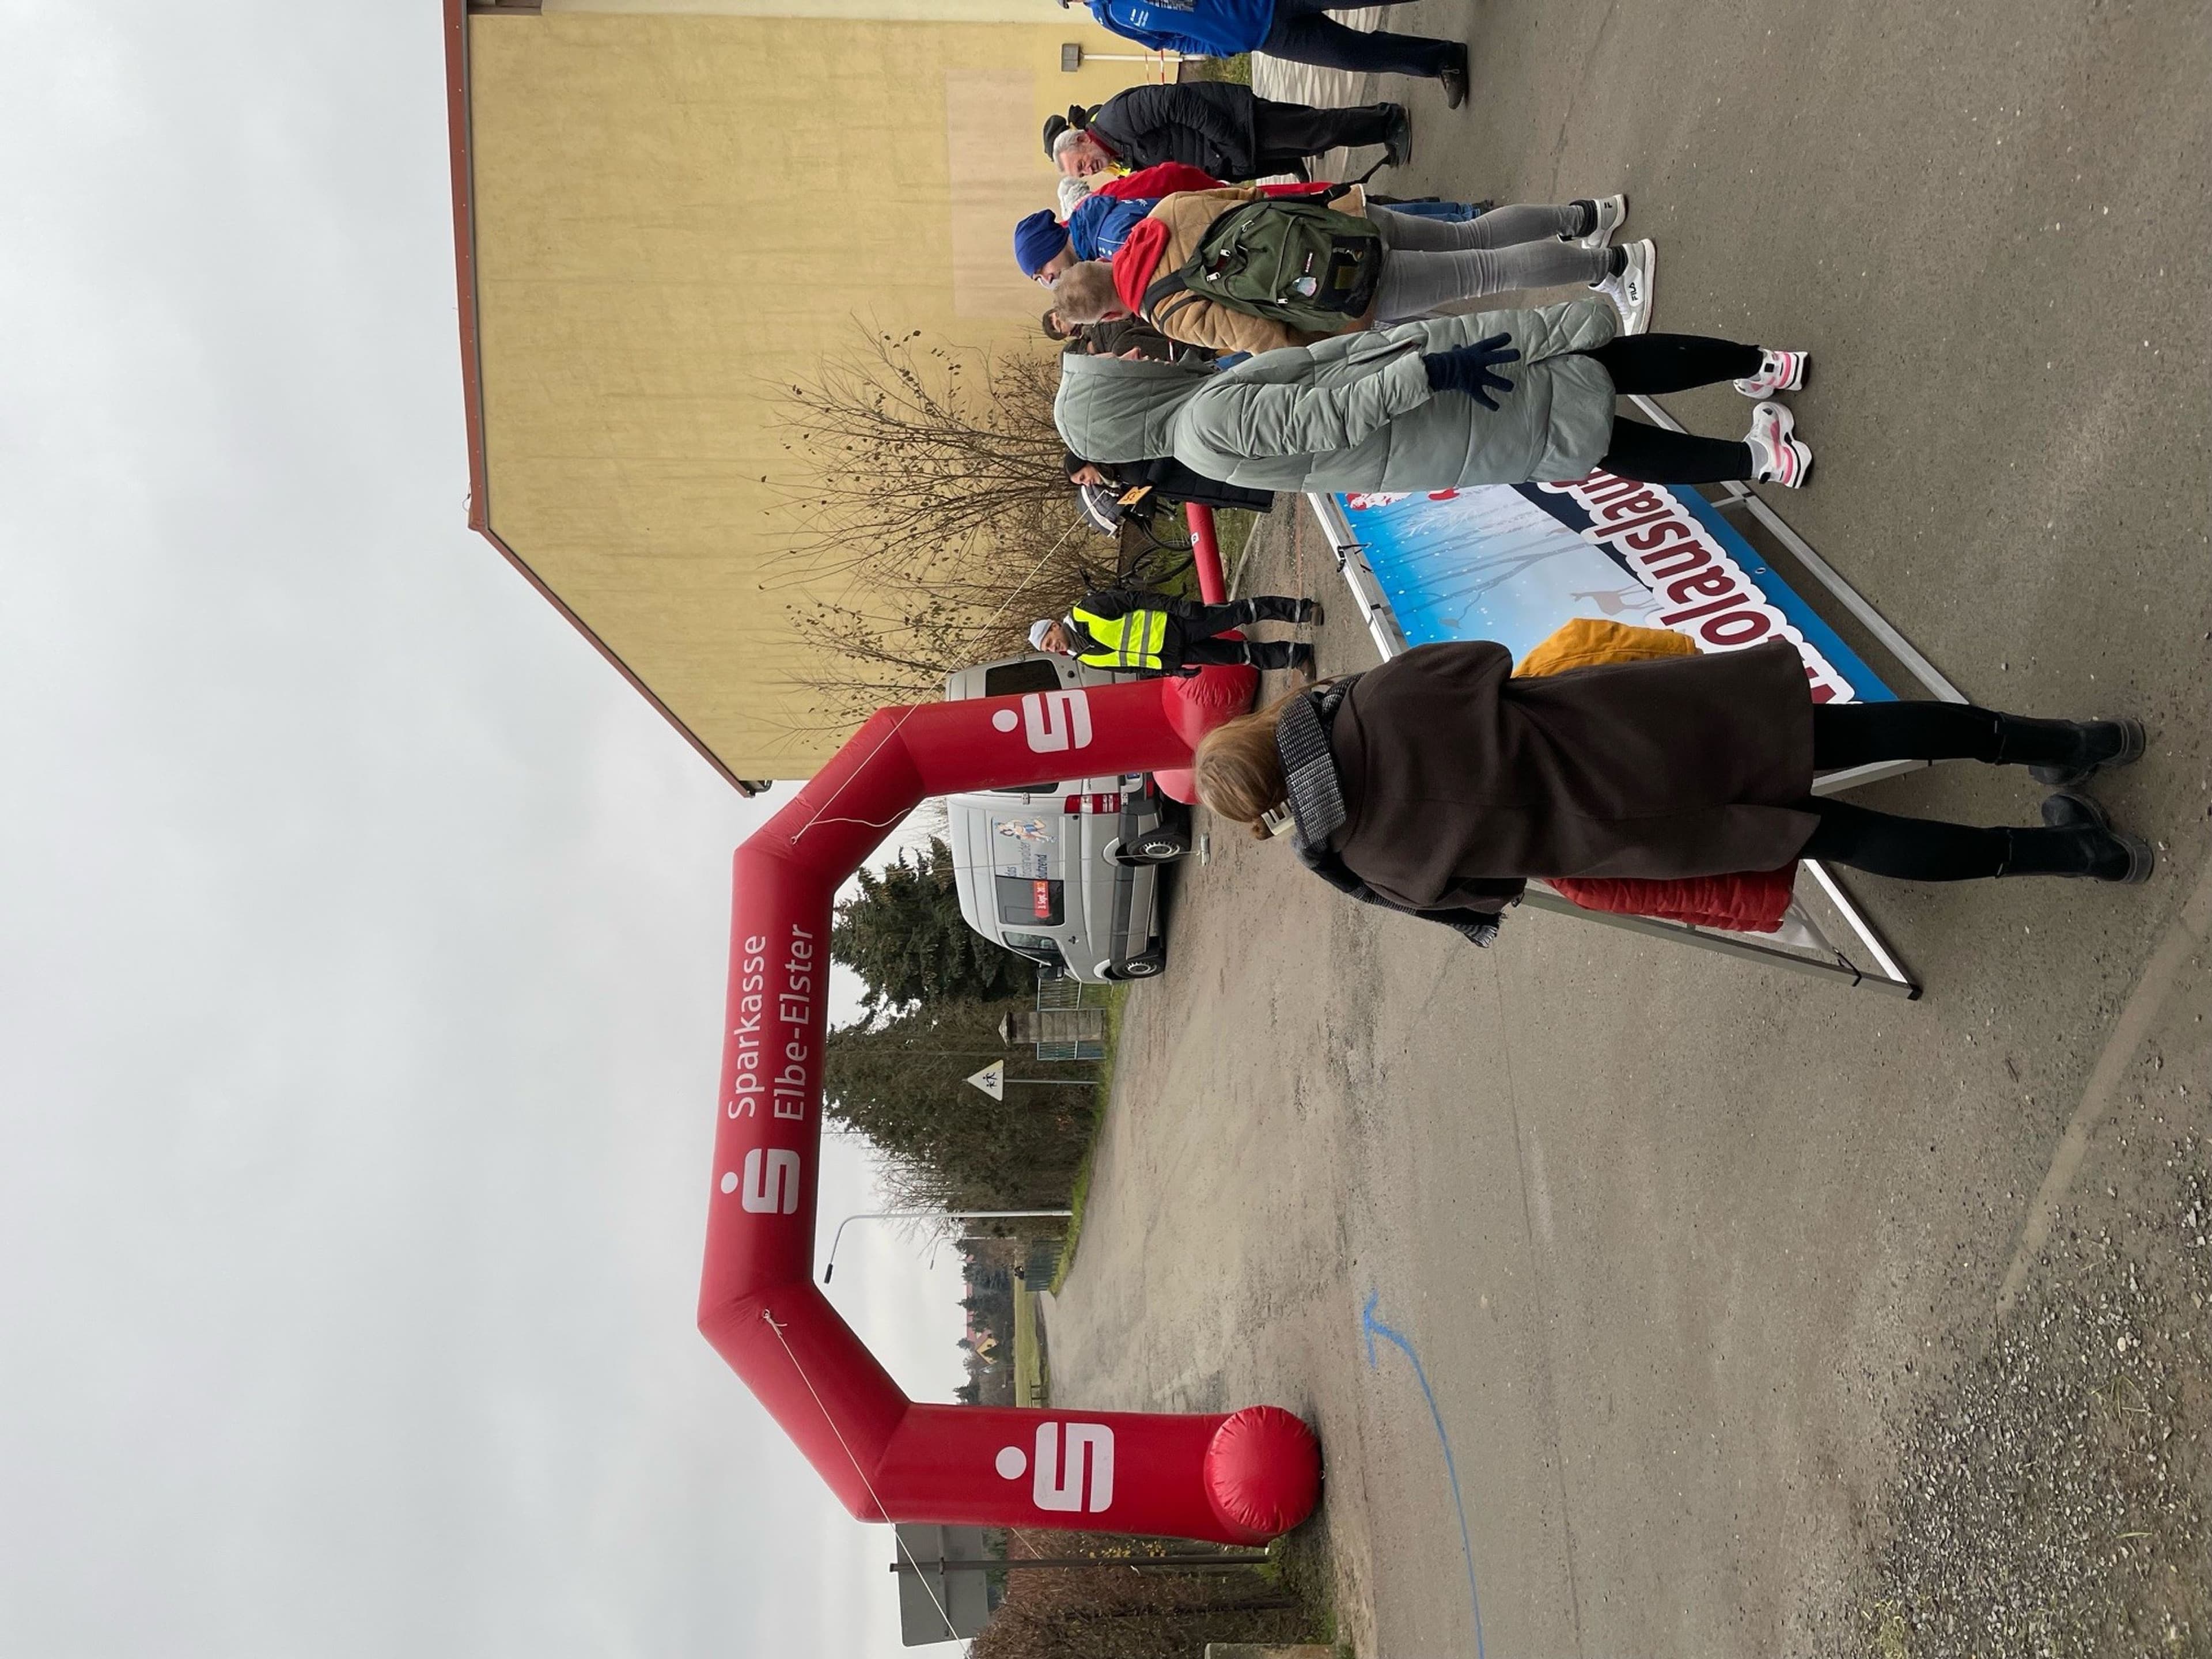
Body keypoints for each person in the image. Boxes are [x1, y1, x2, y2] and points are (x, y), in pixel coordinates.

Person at [1190, 641, 2153, 946]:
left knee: (1839, 837)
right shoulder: (1378, 699)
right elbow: (1488, 660)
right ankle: (2072, 744)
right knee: (1847, 733)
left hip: (1636, 833)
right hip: (1646, 728)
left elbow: (1488, 901)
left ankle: (2077, 854)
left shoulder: (1369, 864)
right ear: (1263, 730)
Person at [1053, 298, 1817, 494]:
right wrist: (1433, 371)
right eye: (1115, 367)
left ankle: (1759, 455)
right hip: (1445, 403)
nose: (1127, 353)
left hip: (1448, 431)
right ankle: (1765, 381)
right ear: (1122, 403)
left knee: (1599, 432)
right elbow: (1332, 413)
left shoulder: (1197, 431)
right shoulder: (1208, 421)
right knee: (1598, 368)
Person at [1050, 190, 1651, 357]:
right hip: (1339, 220)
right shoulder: (1165, 212)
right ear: (1098, 261)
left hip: (1343, 288)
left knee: (1480, 274)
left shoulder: (1167, 310)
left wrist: (1341, 339)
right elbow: (1257, 194)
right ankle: (1588, 215)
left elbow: (1261, 338)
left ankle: (1614, 265)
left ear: (1108, 314)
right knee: (1470, 237)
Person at [1019, 162, 1501, 287]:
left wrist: (1218, 190)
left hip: (1257, 227)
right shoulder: (1095, 224)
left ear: (1050, 245)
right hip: (1251, 219)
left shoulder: (1106, 236)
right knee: (1366, 217)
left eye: (1041, 270)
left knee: (1364, 219)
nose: (1048, 280)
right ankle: (1466, 219)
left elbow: (1170, 181)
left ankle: (1468, 217)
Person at [1059, 0, 1471, 109]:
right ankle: (1443, 60)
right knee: (1354, 55)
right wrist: (1221, 45)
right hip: (1264, 34)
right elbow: (1172, 40)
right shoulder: (1114, 17)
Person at [1043, 89, 1408, 184]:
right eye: (1082, 175)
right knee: (1311, 138)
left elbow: (1181, 103)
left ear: (1080, 141)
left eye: (1082, 164)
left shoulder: (1116, 119)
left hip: (1236, 118)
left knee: (1316, 131)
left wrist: (1231, 143)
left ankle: (1388, 121)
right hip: (1227, 148)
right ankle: (1380, 124)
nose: (1088, 170)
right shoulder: (1118, 152)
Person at [1031, 590, 1319, 675]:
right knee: (1239, 656)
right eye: (1048, 649)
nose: (1053, 647)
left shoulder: (1086, 610)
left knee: (1242, 614)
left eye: (1049, 641)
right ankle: (1297, 657)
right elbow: (1132, 667)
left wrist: (1178, 606)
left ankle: (1301, 611)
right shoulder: (1084, 658)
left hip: (1176, 624)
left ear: (1055, 626)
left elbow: (1135, 599)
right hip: (1174, 655)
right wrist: (1171, 672)